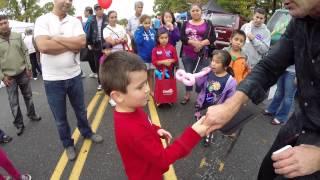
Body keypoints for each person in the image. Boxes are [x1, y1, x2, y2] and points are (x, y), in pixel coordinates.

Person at [204, 0, 320, 179]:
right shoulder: (299, 21)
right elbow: (270, 65)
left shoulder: (265, 31)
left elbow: (265, 50)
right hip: (298, 125)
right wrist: (232, 105)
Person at [99, 51, 209, 180]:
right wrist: (193, 134)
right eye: (140, 87)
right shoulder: (131, 129)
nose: (147, 89)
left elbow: (144, 124)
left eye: (145, 82)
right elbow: (163, 159)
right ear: (117, 96)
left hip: (149, 169)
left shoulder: (131, 109)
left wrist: (156, 130)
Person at [34, 0, 103, 161]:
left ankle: (87, 132)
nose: (67, 1)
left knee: (81, 110)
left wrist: (56, 38)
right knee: (60, 118)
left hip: (74, 75)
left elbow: (81, 43)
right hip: (53, 80)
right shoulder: (42, 20)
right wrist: (70, 44)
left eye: (70, 0)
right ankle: (68, 144)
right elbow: (43, 46)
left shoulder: (74, 21)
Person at [0, 15, 41, 136]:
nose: (4, 25)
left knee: (28, 96)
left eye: (5, 22)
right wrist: (2, 77)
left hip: (23, 72)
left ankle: (32, 114)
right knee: (14, 102)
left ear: (8, 23)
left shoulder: (17, 36)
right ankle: (19, 124)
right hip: (9, 77)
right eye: (1, 24)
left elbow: (25, 51)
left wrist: (29, 67)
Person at [194, 50, 236, 147]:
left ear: (225, 66)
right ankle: (199, 132)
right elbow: (198, 84)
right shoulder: (208, 72)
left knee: (210, 125)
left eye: (217, 62)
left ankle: (208, 136)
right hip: (202, 104)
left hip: (215, 109)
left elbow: (230, 99)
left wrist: (224, 110)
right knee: (200, 120)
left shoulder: (230, 81)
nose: (213, 64)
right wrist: (202, 74)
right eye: (212, 60)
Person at [180, 3, 216, 105]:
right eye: (193, 11)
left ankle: (199, 97)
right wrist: (193, 42)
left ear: (201, 11)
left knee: (201, 76)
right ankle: (187, 95)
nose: (195, 12)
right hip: (187, 54)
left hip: (202, 55)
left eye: (197, 10)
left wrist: (201, 44)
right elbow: (182, 37)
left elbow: (213, 37)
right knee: (188, 75)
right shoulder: (185, 23)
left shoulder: (208, 23)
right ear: (190, 12)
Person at [87, 4, 108, 90]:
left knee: (107, 64)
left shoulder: (107, 18)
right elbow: (89, 33)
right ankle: (100, 83)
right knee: (98, 64)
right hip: (96, 45)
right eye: (97, 9)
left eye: (101, 9)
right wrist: (89, 43)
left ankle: (108, 82)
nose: (99, 11)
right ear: (95, 11)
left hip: (106, 44)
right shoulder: (91, 20)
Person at [134, 14, 156, 96]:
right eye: (145, 23)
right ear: (141, 23)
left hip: (152, 58)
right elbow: (138, 41)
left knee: (151, 74)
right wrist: (140, 29)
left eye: (149, 23)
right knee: (143, 76)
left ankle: (152, 90)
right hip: (143, 58)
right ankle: (143, 91)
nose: (147, 25)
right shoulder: (138, 31)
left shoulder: (153, 31)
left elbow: (156, 42)